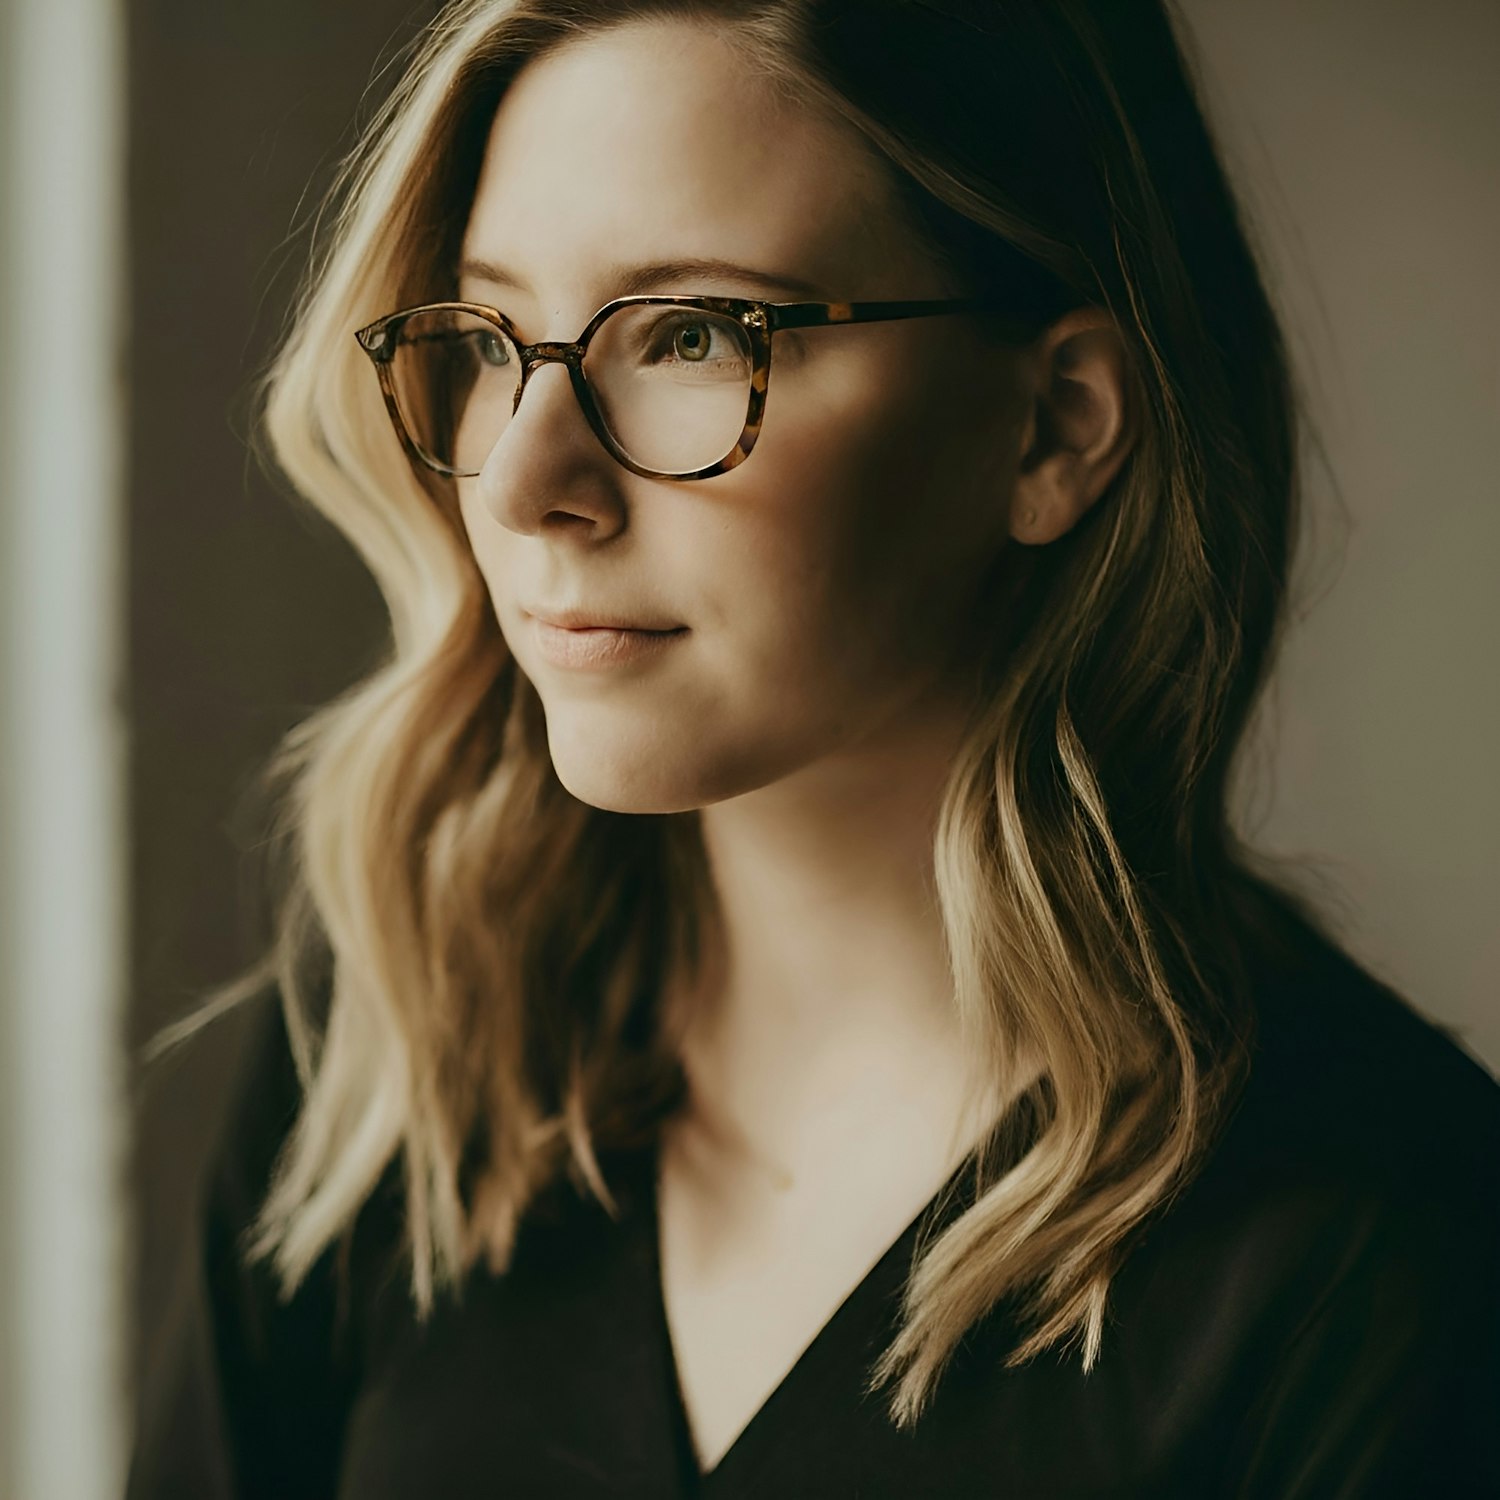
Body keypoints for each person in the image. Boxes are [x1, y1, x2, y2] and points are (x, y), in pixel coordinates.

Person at [127, 0, 1500, 1495]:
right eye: (492, 334)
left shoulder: (1381, 1254)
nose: (525, 477)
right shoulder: (402, 1053)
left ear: (1054, 428)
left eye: (693, 335)